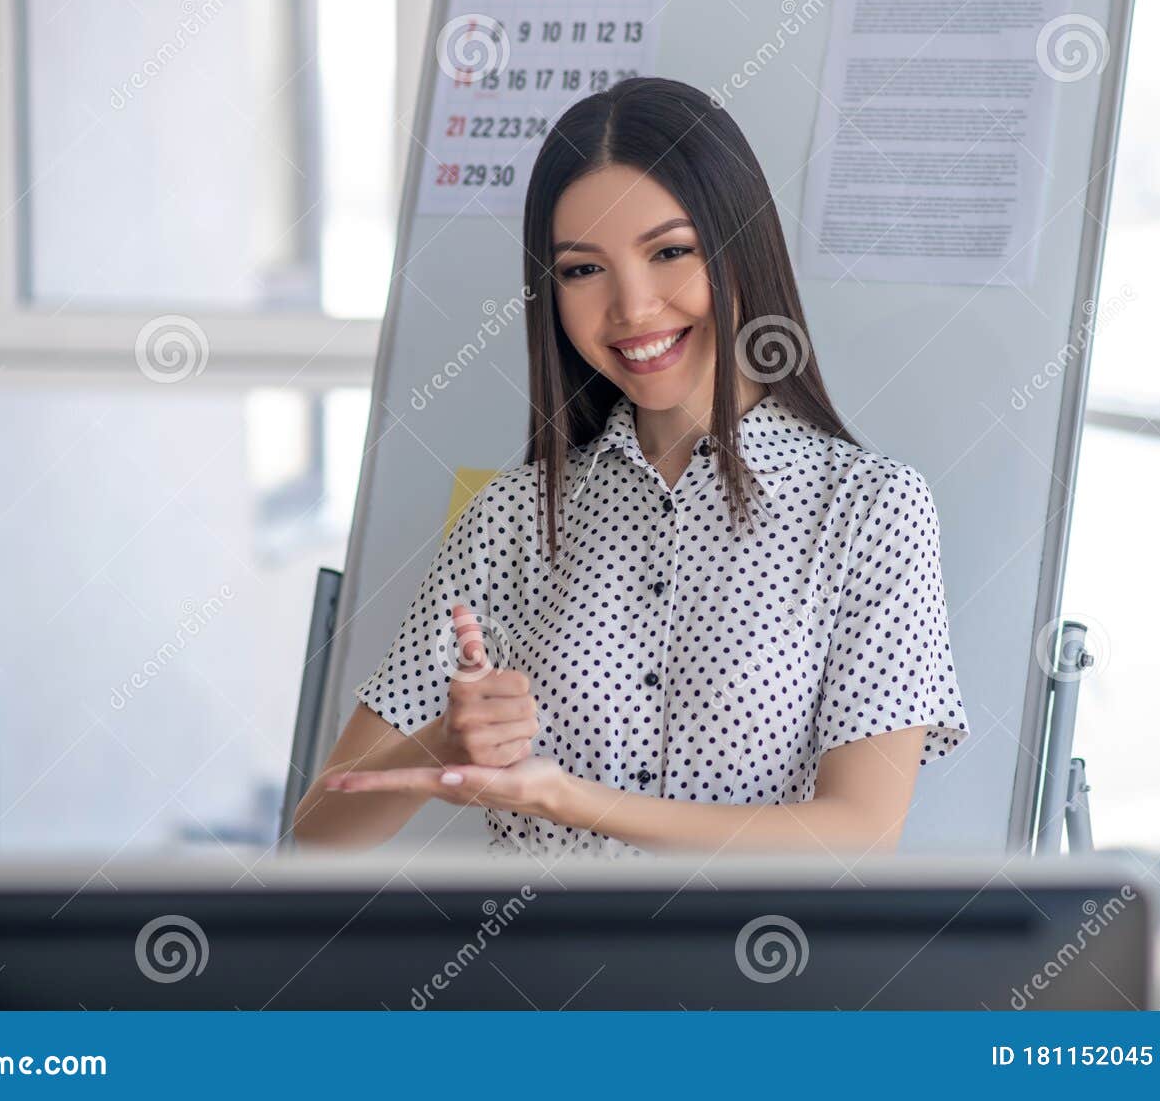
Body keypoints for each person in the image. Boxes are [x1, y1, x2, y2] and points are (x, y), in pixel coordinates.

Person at [293, 76, 968, 859]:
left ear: (739, 247)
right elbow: (318, 833)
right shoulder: (511, 517)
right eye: (583, 270)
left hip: (758, 974)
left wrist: (571, 799)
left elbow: (862, 834)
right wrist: (444, 744)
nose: (633, 307)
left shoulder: (870, 507)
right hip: (533, 976)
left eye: (671, 252)